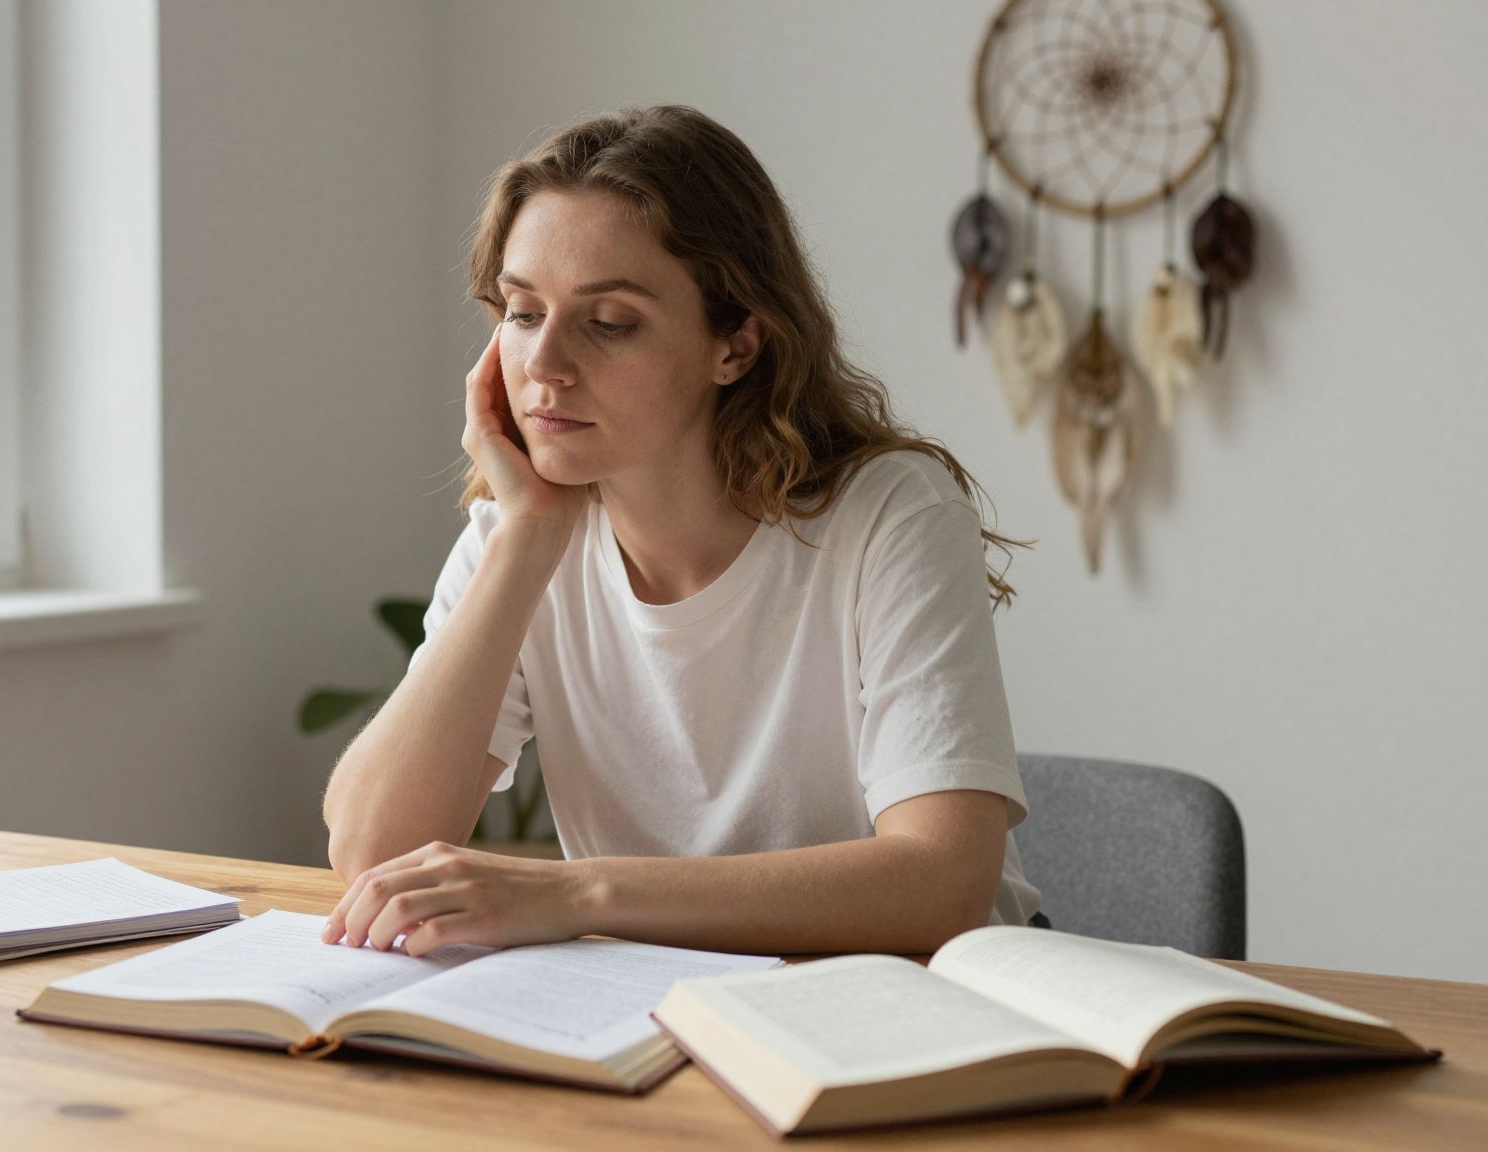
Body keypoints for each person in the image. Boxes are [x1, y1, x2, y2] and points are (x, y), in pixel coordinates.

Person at [321, 104, 1041, 959]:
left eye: (609, 322)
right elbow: (369, 849)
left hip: (918, 1004)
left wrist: (578, 889)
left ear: (735, 345)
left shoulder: (889, 513)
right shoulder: (520, 533)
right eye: (521, 313)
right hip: (657, 1004)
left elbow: (942, 884)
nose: (544, 366)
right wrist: (522, 542)